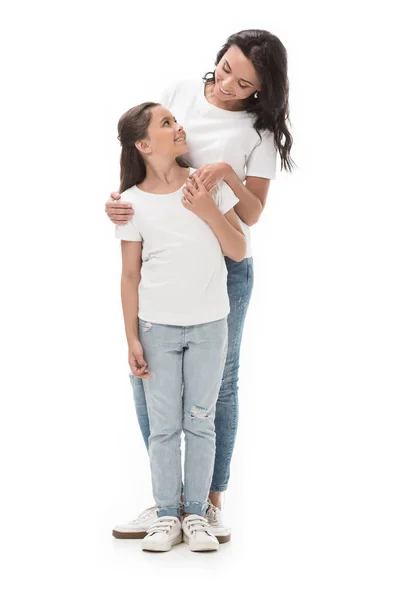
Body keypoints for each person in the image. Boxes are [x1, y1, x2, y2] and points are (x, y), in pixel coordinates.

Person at [109, 29, 293, 543]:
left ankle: (207, 502)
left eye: (245, 83)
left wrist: (227, 177)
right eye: (226, 68)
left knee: (220, 386)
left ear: (263, 90)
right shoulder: (180, 91)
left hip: (224, 264)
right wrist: (118, 203)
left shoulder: (259, 131)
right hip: (165, 258)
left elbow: (249, 218)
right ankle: (168, 500)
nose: (228, 84)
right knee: (153, 388)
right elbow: (141, 151)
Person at [115, 101, 246, 551]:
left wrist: (208, 209)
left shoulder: (204, 183)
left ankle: (196, 514)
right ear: (145, 144)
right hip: (158, 330)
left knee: (201, 422)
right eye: (166, 123)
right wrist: (132, 336)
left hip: (210, 325)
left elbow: (238, 249)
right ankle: (166, 515)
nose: (178, 126)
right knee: (164, 426)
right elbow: (130, 275)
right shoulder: (130, 204)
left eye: (176, 118)